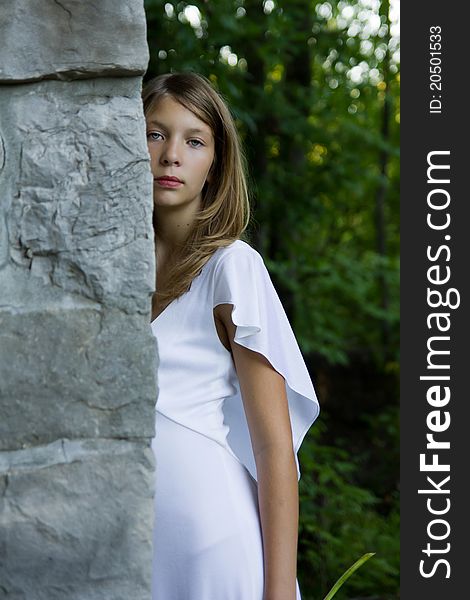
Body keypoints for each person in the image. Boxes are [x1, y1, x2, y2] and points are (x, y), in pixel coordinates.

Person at [143, 72, 320, 600]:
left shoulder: (232, 267)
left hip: (212, 543)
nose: (172, 155)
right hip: (128, 543)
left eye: (194, 141)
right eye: (155, 134)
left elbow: (273, 448)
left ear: (214, 163)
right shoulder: (107, 271)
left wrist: (279, 592)